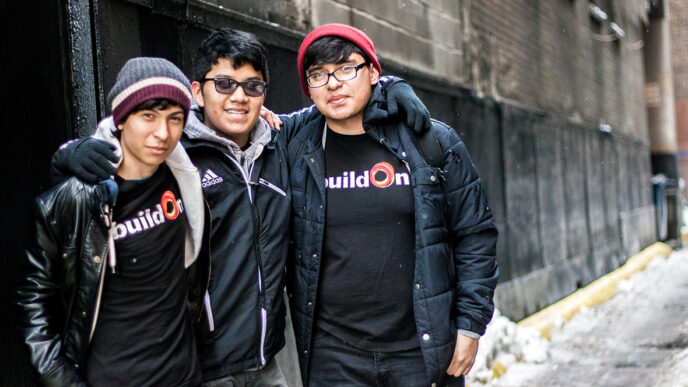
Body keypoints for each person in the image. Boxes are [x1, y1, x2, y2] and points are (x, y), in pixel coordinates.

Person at [48, 28, 429, 386]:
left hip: (265, 365)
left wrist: (388, 88)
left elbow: (338, 98)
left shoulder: (283, 144)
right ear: (197, 92)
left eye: (252, 85)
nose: (238, 96)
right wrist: (70, 155)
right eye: (225, 84)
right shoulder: (172, 155)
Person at [279, 23, 499, 387]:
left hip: (420, 349)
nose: (333, 83)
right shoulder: (294, 145)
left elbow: (475, 235)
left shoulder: (429, 140)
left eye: (346, 68)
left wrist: (471, 324)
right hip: (334, 355)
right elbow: (218, 117)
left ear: (374, 73)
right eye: (318, 75)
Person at [15, 57, 211, 386]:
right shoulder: (75, 199)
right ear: (121, 120)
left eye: (175, 118)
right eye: (148, 115)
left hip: (184, 376)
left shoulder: (184, 180)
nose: (162, 133)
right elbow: (33, 302)